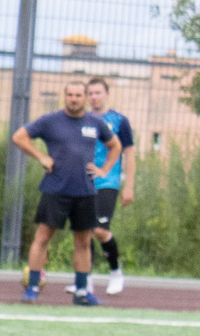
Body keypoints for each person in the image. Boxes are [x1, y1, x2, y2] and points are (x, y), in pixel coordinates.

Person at [13, 76, 113, 307]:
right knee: (42, 238)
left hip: (85, 191)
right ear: (64, 96)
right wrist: (41, 156)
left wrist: (104, 170)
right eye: (70, 95)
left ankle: (81, 292)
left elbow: (115, 145)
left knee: (83, 243)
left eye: (78, 95)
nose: (74, 99)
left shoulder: (95, 123)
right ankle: (33, 289)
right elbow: (19, 137)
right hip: (55, 190)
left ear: (86, 98)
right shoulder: (50, 121)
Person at [85, 75, 135, 297]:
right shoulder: (82, 119)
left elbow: (130, 154)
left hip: (108, 181)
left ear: (107, 94)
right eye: (90, 93)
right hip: (83, 181)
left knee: (99, 229)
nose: (94, 97)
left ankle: (115, 272)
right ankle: (84, 279)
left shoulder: (119, 121)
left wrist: (129, 186)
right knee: (83, 231)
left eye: (98, 93)